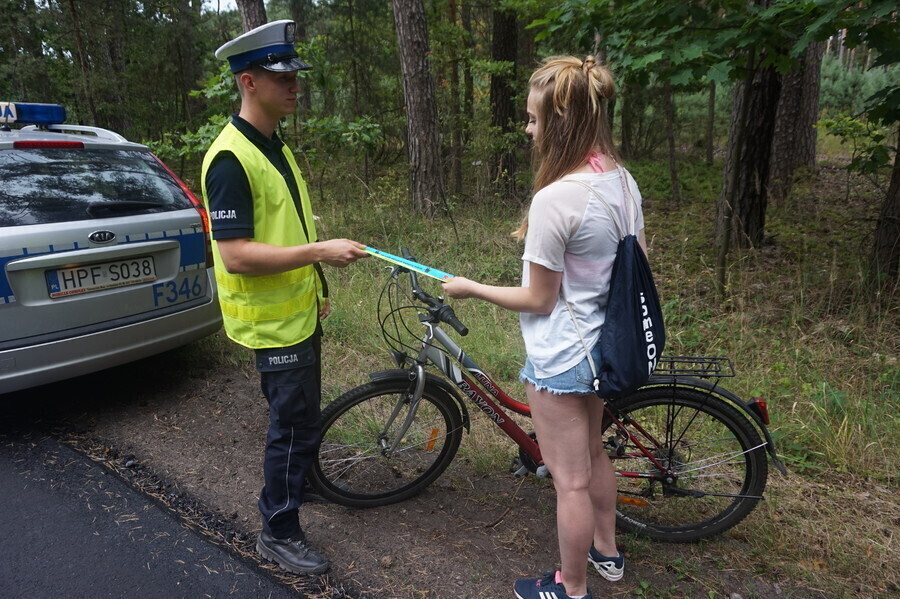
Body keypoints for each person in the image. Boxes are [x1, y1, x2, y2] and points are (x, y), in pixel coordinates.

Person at [442, 56, 645, 599]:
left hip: (563, 356)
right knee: (594, 456)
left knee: (569, 480)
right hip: (607, 348)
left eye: (533, 119)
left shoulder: (555, 200)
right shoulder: (623, 182)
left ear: (560, 120)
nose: (529, 130)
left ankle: (570, 588)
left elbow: (538, 297)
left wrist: (472, 288)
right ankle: (607, 553)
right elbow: (637, 266)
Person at [200, 20, 368, 576]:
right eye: (281, 77)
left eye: (296, 75)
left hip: (296, 311)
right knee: (291, 425)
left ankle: (296, 486)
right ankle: (279, 527)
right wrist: (320, 254)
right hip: (271, 323)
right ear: (248, 82)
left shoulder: (272, 143)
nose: (295, 86)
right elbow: (238, 255)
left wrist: (314, 283)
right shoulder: (230, 158)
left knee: (302, 419)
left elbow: (285, 229)